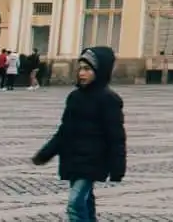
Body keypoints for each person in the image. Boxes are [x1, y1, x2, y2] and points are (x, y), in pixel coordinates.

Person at [32, 47, 126, 222]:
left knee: (75, 204)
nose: (82, 73)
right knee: (86, 202)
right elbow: (64, 131)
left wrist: (117, 166)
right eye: (80, 68)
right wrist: (46, 153)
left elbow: (116, 136)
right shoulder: (74, 97)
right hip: (73, 159)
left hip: (93, 160)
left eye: (88, 69)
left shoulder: (109, 99)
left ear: (100, 72)